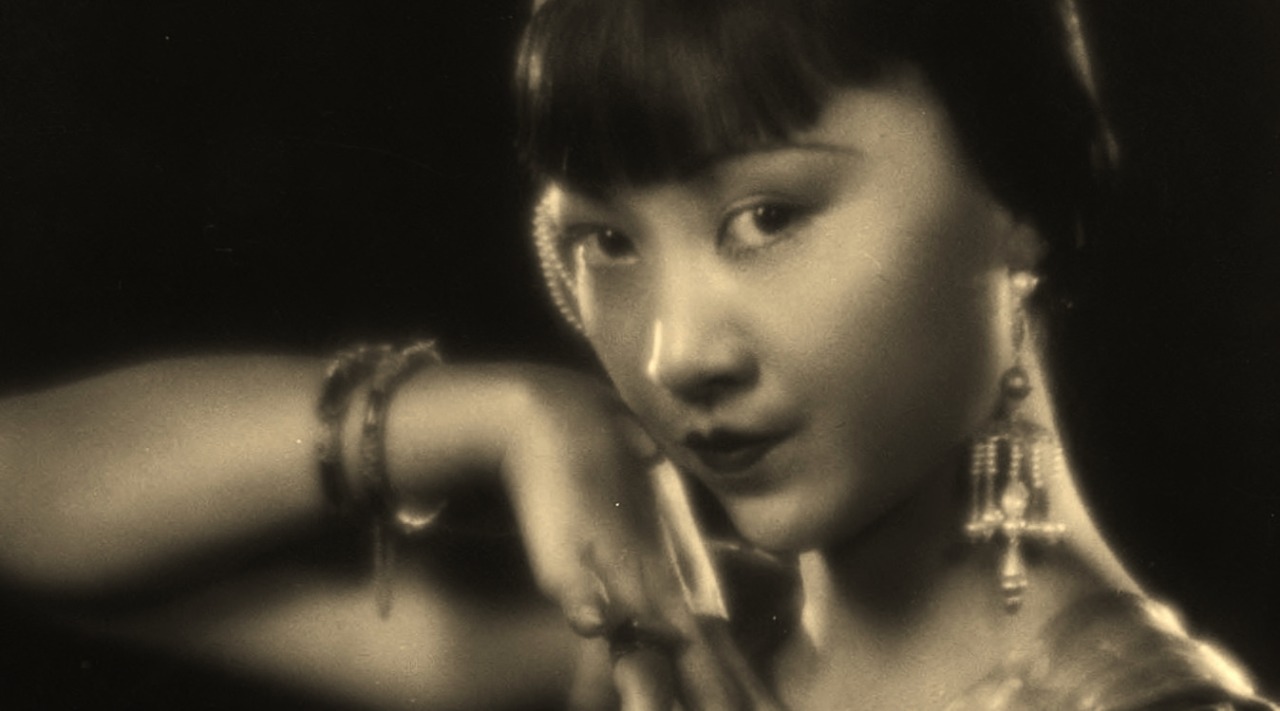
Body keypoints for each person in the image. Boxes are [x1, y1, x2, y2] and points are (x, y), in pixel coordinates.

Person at [0, 0, 1274, 709]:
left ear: (1019, 194)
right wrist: (514, 417)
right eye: (606, 242)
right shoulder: (654, 653)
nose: (672, 355)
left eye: (765, 217)